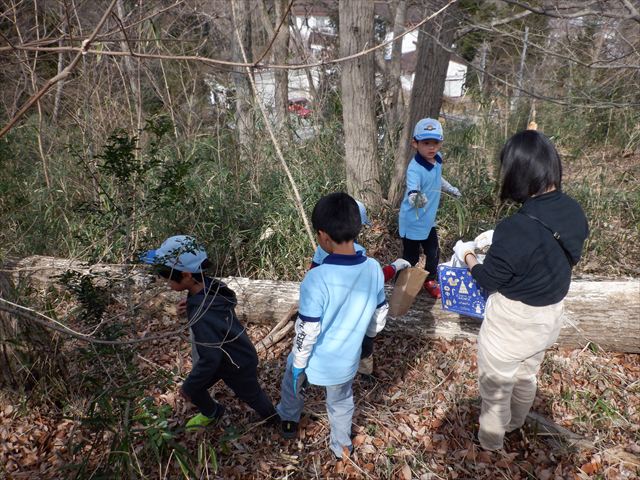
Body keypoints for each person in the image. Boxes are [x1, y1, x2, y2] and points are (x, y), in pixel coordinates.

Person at [452, 130, 589, 451]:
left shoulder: (515, 228)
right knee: (527, 374)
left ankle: (490, 443)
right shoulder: (574, 211)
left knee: (496, 385)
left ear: (517, 173)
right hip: (549, 318)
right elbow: (569, 256)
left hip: (512, 322)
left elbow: (488, 280)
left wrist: (468, 254)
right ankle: (515, 422)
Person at [277, 192, 388, 459]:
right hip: (346, 361)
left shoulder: (317, 278)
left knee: (292, 381)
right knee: (341, 402)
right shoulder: (373, 268)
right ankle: (341, 446)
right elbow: (380, 314)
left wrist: (300, 364)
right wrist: (367, 339)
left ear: (324, 236)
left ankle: (289, 419)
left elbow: (307, 330)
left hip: (315, 358)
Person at [142, 235, 278, 430]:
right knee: (195, 388)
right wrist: (190, 305)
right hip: (228, 354)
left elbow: (209, 358)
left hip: (236, 362)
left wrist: (188, 386)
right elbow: (210, 311)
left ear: (187, 275)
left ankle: (275, 420)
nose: (163, 279)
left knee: (250, 394)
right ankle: (213, 412)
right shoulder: (210, 286)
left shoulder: (201, 311)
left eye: (165, 273)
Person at [309, 199, 410, 376]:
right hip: (355, 311)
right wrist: (395, 267)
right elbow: (374, 278)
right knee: (364, 343)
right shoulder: (357, 251)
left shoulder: (322, 248)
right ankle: (364, 370)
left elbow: (313, 272)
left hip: (330, 313)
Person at [398, 118, 460, 299]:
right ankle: (402, 283)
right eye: (426, 143)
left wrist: (450, 188)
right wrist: (419, 199)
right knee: (411, 258)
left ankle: (430, 280)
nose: (431, 148)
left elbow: (437, 178)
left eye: (435, 143)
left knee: (433, 252)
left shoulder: (437, 159)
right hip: (412, 221)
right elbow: (412, 192)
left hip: (428, 220)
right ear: (415, 143)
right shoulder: (414, 169)